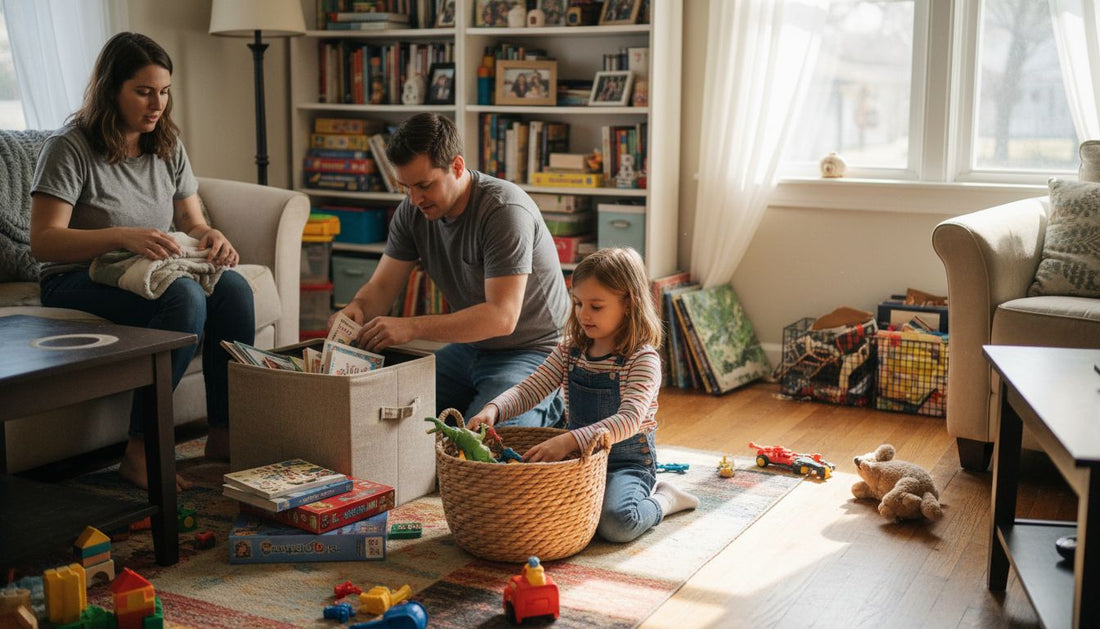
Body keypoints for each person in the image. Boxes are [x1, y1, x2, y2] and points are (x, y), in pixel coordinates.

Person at [29, 32, 254, 490]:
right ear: (112, 89)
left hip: (144, 271)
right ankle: (140, 452)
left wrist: (210, 235)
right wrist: (122, 237)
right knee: (186, 298)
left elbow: (191, 220)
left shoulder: (166, 143)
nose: (157, 105)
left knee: (234, 289)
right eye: (144, 91)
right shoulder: (69, 147)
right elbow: (44, 242)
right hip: (76, 277)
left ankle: (225, 436)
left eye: (165, 91)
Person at [330, 112, 568, 427]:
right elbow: (382, 288)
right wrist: (356, 309)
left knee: (481, 444)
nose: (414, 199)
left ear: (457, 166)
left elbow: (502, 317)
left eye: (424, 185)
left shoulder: (504, 210)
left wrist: (411, 327)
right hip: (470, 349)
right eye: (405, 187)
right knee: (386, 417)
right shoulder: (411, 211)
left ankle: (555, 405)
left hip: (535, 352)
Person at [467, 248, 699, 543]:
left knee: (617, 524)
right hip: (578, 460)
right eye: (578, 303)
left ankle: (665, 499)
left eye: (596, 306)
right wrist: (494, 409)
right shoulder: (569, 350)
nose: (583, 314)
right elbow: (531, 388)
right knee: (521, 504)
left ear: (628, 303)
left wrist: (568, 440)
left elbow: (628, 420)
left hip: (625, 463)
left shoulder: (642, 359)